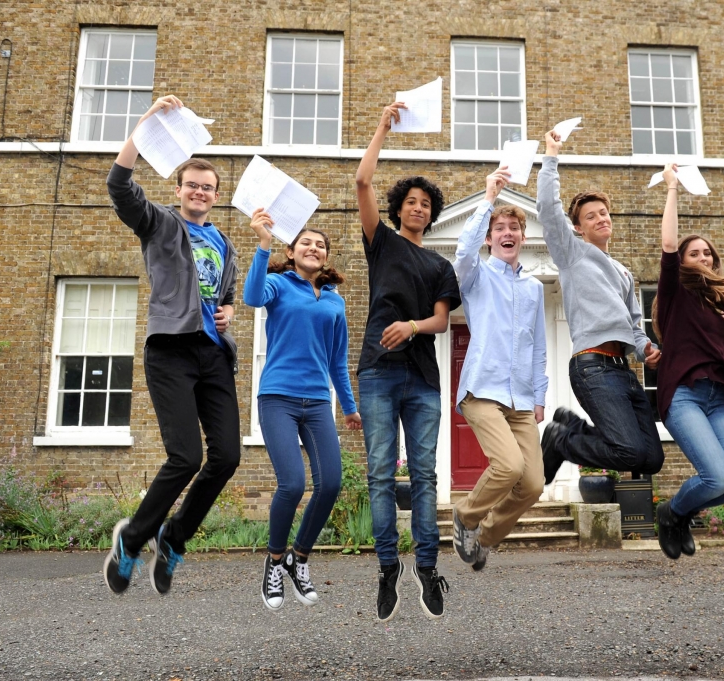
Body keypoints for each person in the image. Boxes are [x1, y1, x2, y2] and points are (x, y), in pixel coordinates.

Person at [104, 94, 240, 596]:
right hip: (171, 350)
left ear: (214, 194)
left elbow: (221, 296)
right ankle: (132, 540)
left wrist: (227, 312)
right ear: (178, 189)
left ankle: (174, 536)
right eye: (192, 185)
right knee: (184, 457)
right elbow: (119, 185)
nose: (200, 192)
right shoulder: (159, 223)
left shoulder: (225, 241)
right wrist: (143, 126)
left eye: (208, 188)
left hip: (212, 355)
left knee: (226, 457)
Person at [355, 101, 461, 621]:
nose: (417, 208)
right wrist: (382, 127)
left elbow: (442, 322)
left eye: (425, 204)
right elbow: (361, 182)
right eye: (410, 202)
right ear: (398, 209)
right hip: (378, 369)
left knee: (423, 477)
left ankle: (426, 568)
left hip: (422, 379)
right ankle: (386, 569)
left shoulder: (440, 265)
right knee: (379, 474)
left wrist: (413, 326)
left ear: (432, 212)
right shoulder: (383, 245)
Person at [244, 211, 362, 611]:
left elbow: (337, 360)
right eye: (306, 243)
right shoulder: (277, 284)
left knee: (330, 483)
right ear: (292, 252)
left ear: (326, 258)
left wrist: (349, 407)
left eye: (321, 245)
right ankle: (275, 562)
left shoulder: (334, 301)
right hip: (277, 397)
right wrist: (262, 244)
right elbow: (251, 297)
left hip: (316, 403)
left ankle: (300, 558)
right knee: (292, 484)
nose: (314, 248)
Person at [536, 129, 663, 484]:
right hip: (593, 368)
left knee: (651, 458)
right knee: (629, 452)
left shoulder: (624, 272)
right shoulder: (573, 254)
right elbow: (547, 209)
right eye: (591, 216)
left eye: (604, 213)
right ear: (578, 227)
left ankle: (571, 428)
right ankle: (562, 440)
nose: (601, 218)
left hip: (622, 370)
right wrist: (551, 156)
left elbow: (635, 327)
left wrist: (646, 350)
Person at [450, 166, 547, 572]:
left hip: (521, 397)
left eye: (514, 227)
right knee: (508, 466)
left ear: (523, 237)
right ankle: (466, 516)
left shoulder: (535, 288)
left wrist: (540, 397)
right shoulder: (476, 276)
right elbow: (462, 253)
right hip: (481, 392)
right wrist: (488, 198)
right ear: (491, 238)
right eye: (500, 228)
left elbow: (539, 345)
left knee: (533, 484)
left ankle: (484, 537)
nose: (508, 233)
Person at [652, 164, 724, 560]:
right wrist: (672, 188)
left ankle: (681, 513)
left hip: (716, 398)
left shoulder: (717, 304)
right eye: (696, 252)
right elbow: (670, 245)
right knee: (717, 475)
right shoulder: (676, 292)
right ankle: (670, 513)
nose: (703, 256)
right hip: (684, 397)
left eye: (708, 252)